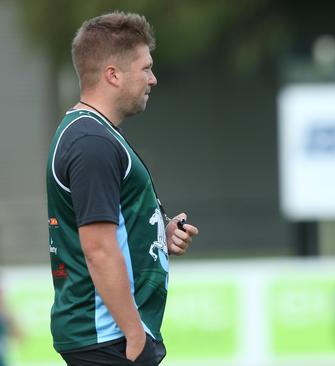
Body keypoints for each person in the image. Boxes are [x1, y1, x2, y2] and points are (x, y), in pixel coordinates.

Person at [46, 11, 199, 366]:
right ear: (113, 75)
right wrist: (134, 335)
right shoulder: (91, 142)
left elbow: (109, 229)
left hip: (107, 337)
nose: (153, 79)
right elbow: (98, 249)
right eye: (145, 68)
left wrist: (159, 234)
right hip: (109, 338)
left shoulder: (93, 134)